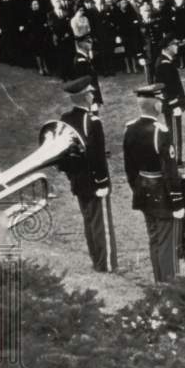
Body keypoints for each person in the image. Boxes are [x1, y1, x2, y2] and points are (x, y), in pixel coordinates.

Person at [123, 83, 185, 284]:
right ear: (156, 105)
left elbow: (129, 168)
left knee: (154, 238)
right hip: (161, 192)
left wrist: (137, 188)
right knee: (167, 241)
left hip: (143, 189)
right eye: (160, 100)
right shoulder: (161, 131)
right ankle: (170, 285)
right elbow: (170, 171)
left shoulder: (130, 129)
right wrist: (177, 201)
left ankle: (160, 282)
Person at [58, 77, 117, 273]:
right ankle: (105, 264)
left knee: (89, 221)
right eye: (91, 92)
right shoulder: (92, 121)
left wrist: (72, 175)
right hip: (94, 180)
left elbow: (64, 154)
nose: (93, 94)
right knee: (101, 224)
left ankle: (96, 260)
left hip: (77, 179)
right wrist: (102, 182)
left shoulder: (65, 119)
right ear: (85, 97)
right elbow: (97, 155)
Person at [154, 35, 185, 166]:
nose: (177, 47)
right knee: (174, 134)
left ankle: (177, 160)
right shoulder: (165, 64)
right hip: (172, 105)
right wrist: (176, 104)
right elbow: (167, 88)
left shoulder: (164, 61)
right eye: (174, 44)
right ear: (167, 47)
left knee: (174, 133)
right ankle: (175, 162)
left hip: (171, 104)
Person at [71, 36, 103, 108]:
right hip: (89, 94)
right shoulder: (80, 60)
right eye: (88, 42)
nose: (91, 43)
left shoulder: (85, 57)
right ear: (81, 44)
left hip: (92, 92)